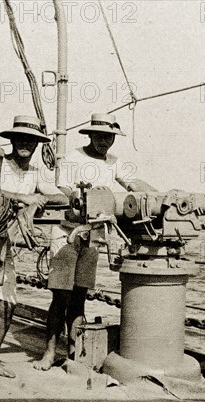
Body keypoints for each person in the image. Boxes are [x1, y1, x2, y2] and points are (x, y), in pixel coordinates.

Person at [34, 113, 155, 371]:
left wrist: (158, 196)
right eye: (100, 136)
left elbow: (134, 183)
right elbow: (64, 190)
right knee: (60, 297)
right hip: (68, 234)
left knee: (79, 297)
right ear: (90, 135)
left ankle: (74, 352)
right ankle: (49, 352)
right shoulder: (74, 158)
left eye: (109, 137)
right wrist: (82, 198)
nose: (104, 142)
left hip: (94, 236)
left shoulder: (114, 162)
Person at [0, 115, 67, 378]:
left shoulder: (36, 173)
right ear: (12, 139)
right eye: (21, 138)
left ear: (38, 144)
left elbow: (61, 197)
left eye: (31, 139)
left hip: (2, 241)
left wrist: (34, 203)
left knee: (7, 302)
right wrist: (22, 196)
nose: (25, 143)